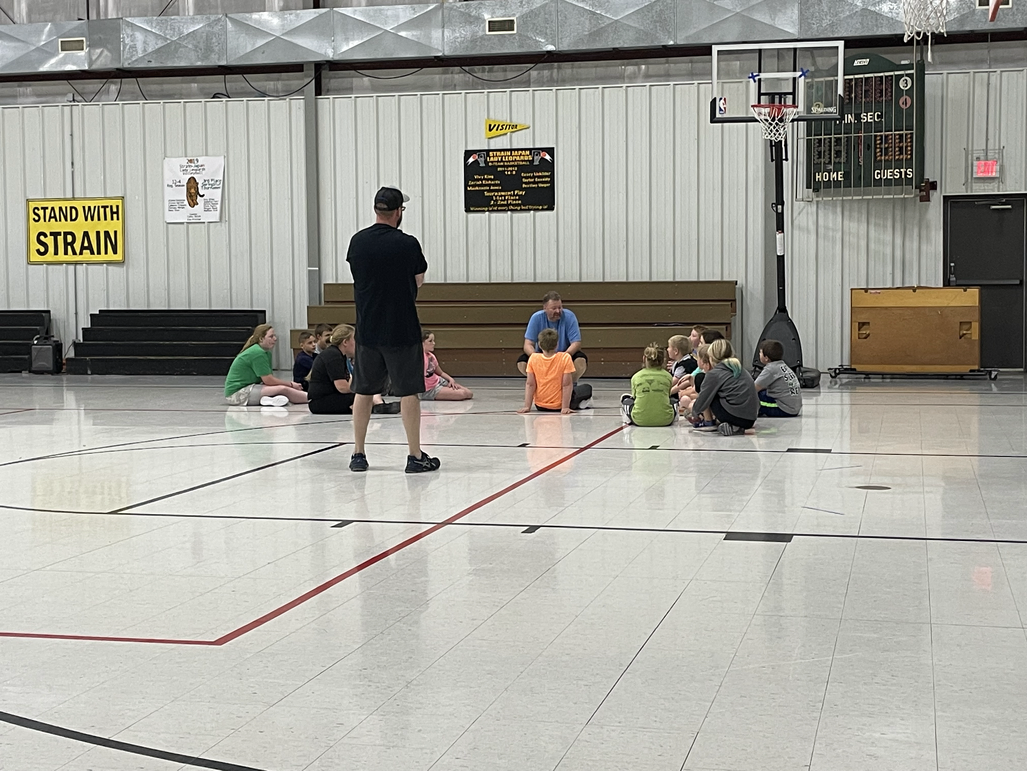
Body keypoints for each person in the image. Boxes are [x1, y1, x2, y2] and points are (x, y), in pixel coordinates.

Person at [346, 186, 439, 473]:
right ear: (398, 212)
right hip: (402, 329)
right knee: (409, 392)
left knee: (363, 391)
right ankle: (414, 456)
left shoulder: (357, 242)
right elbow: (419, 279)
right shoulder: (407, 244)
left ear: (376, 210)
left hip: (368, 329)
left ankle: (358, 454)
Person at [308, 325, 400, 416]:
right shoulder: (334, 356)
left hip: (325, 398)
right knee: (363, 397)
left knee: (366, 396)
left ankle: (376, 405)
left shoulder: (338, 355)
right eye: (355, 340)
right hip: (321, 402)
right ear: (345, 342)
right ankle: (377, 406)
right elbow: (342, 388)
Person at [686, 338, 759, 436]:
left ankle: (708, 422)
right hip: (750, 419)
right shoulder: (739, 368)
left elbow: (704, 398)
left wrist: (693, 413)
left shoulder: (715, 374)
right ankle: (733, 426)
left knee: (701, 380)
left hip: (735, 415)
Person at [223, 324, 308, 407]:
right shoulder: (257, 353)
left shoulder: (266, 353)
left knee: (280, 389)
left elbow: (268, 380)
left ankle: (267, 399)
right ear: (261, 338)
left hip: (252, 387)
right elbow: (268, 380)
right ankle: (312, 398)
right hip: (236, 394)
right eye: (271, 336)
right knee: (283, 389)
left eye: (274, 336)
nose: (275, 339)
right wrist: (291, 384)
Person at [517, 328, 592, 414]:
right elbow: (566, 384)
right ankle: (580, 403)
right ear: (556, 345)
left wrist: (527, 406)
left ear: (540, 345)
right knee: (587, 388)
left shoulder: (533, 358)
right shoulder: (565, 358)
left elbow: (530, 384)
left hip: (540, 406)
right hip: (559, 405)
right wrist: (565, 407)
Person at [516, 291, 588, 381]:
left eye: (560, 307)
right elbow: (527, 344)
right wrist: (536, 357)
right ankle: (540, 382)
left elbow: (576, 343)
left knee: (580, 360)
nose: (558, 311)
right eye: (554, 308)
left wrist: (565, 356)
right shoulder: (536, 318)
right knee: (522, 362)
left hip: (564, 353)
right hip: (542, 354)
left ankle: (570, 384)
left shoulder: (570, 316)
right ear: (545, 308)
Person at [621, 343, 676, 427]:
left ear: (644, 359)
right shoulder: (668, 376)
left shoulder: (636, 376)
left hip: (640, 420)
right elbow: (667, 394)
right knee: (673, 399)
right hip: (666, 420)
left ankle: (628, 418)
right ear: (663, 360)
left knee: (626, 400)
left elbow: (635, 397)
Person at [754, 339, 802, 418]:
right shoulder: (782, 365)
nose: (759, 354)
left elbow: (753, 389)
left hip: (784, 409)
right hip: (793, 407)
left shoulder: (770, 369)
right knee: (762, 393)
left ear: (766, 358)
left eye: (760, 352)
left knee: (753, 399)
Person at [421, 331, 473, 401]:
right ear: (422, 343)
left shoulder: (431, 356)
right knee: (461, 394)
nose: (434, 343)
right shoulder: (419, 358)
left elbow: (440, 372)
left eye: (433, 340)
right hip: (428, 389)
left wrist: (450, 379)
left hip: (438, 381)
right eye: (430, 341)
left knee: (469, 393)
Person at [667, 335, 695, 403]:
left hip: (679, 396)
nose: (667, 349)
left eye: (669, 347)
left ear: (676, 351)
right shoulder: (677, 362)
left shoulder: (684, 365)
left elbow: (673, 382)